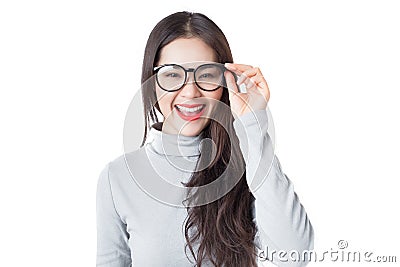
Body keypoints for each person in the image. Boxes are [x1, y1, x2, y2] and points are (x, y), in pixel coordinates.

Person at [96, 11, 314, 267]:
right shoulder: (117, 177)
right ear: (152, 82)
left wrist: (253, 124)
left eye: (207, 74)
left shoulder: (248, 164)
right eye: (172, 75)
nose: (190, 92)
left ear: (225, 81)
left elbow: (295, 255)